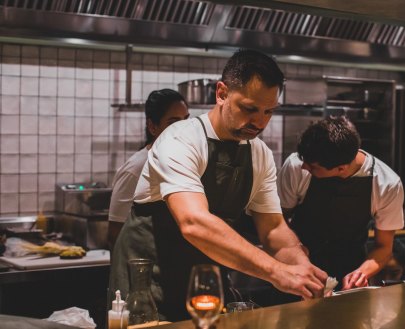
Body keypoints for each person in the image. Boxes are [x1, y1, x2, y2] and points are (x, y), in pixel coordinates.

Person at [109, 49, 327, 321]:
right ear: (222, 93)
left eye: (268, 111)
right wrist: (276, 272)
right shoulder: (180, 139)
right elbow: (194, 222)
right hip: (148, 289)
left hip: (205, 287)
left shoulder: (259, 153)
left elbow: (272, 228)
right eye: (249, 108)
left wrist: (302, 267)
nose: (260, 122)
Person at [277, 116, 404, 290]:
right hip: (295, 268)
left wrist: (361, 274)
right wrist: (296, 252)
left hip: (348, 269)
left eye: (313, 167)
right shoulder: (296, 166)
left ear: (341, 168)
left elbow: (384, 247)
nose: (305, 167)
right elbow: (277, 222)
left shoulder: (386, 184)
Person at [107, 89, 189, 249]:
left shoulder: (184, 163)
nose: (183, 129)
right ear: (152, 126)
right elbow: (115, 233)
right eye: (173, 123)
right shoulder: (136, 168)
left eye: (186, 121)